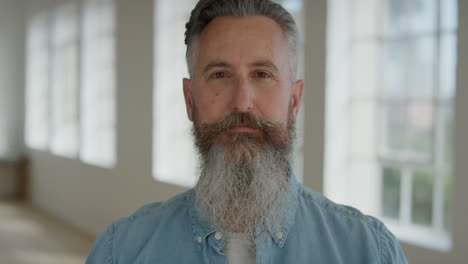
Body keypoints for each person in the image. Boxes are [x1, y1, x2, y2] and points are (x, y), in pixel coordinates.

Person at [86, 0, 408, 263]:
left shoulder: (370, 253)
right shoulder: (122, 252)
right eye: (220, 74)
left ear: (294, 101)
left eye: (262, 74)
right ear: (189, 100)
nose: (242, 102)